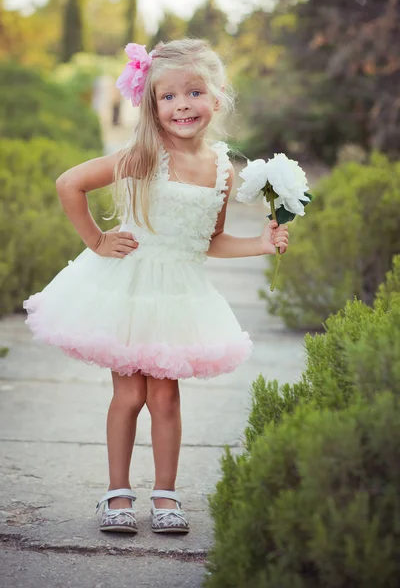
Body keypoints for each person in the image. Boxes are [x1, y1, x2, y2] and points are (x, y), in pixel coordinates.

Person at [23, 39, 289, 535]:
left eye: (194, 92)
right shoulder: (145, 155)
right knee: (129, 396)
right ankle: (116, 494)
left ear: (217, 95)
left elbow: (208, 241)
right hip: (129, 287)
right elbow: (69, 183)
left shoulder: (222, 170)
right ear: (152, 103)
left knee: (165, 398)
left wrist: (261, 244)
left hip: (177, 294)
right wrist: (97, 240)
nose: (182, 105)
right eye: (168, 97)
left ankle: (166, 495)